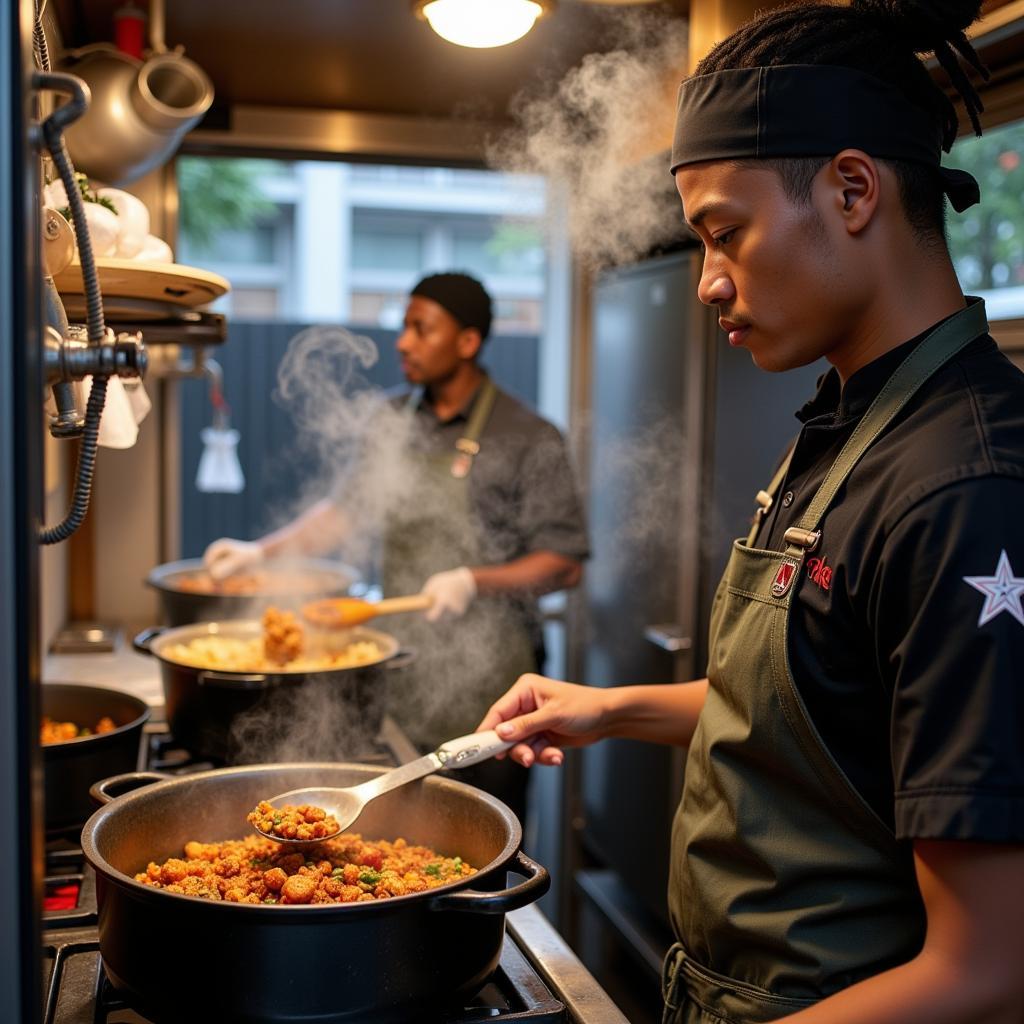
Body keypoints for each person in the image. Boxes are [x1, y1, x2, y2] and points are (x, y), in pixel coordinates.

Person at [478, 2, 1024, 1021]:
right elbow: (826, 705)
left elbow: (987, 968)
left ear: (851, 189)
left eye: (724, 233)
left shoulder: (967, 488)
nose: (707, 284)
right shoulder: (843, 420)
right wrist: (609, 709)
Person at [204, 271, 588, 821]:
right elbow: (344, 512)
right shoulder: (390, 419)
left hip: (493, 694)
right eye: (403, 327)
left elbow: (565, 562)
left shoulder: (529, 435)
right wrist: (260, 553)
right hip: (401, 679)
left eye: (420, 328)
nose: (403, 341)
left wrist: (471, 580)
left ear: (467, 342)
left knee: (482, 838)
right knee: (403, 836)